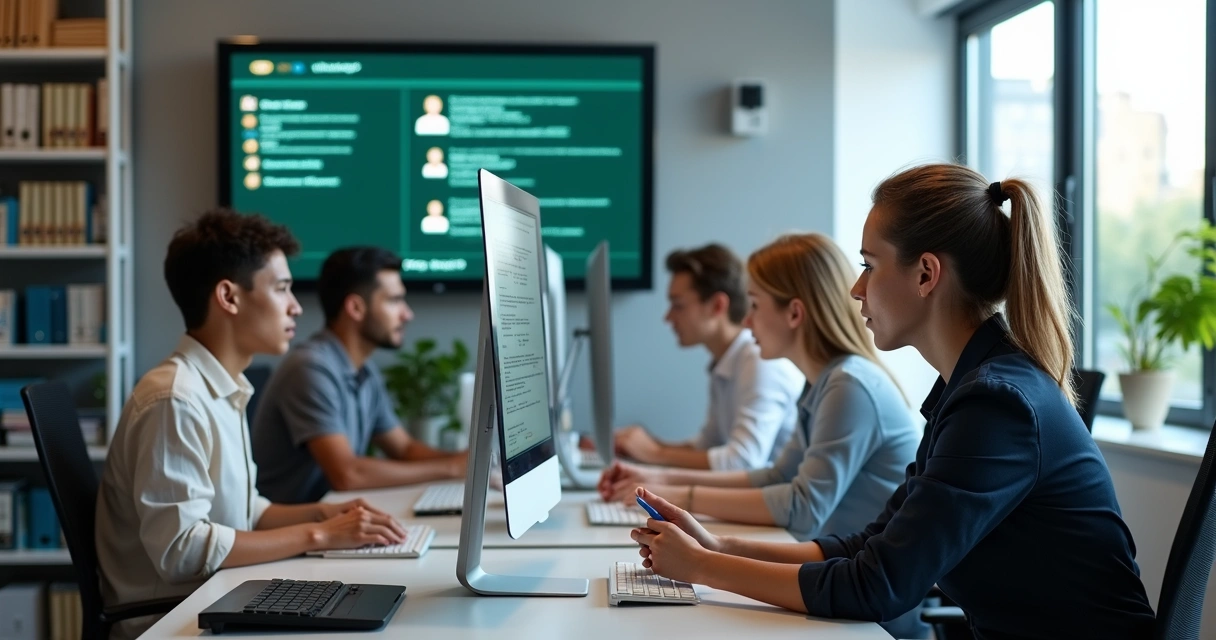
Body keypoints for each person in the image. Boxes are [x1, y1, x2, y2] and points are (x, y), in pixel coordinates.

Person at [629, 164, 1156, 639]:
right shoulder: (967, 388)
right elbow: (871, 545)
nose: (857, 289)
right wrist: (719, 549)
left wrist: (702, 569)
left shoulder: (996, 405)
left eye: (869, 265)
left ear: (926, 274)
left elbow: (876, 587)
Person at [96, 211, 406, 640]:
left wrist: (327, 513)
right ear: (229, 297)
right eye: (281, 289)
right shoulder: (175, 398)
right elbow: (183, 550)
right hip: (173, 623)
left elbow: (245, 510)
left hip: (216, 600)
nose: (296, 306)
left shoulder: (225, 387)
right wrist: (319, 534)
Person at [600, 233, 919, 544]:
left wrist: (677, 495)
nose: (747, 322)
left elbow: (802, 508)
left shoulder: (849, 386)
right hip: (845, 566)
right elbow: (777, 476)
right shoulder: (820, 383)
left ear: (794, 313)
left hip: (876, 585)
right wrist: (660, 481)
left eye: (754, 306)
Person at [253, 246, 468, 504]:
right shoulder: (310, 368)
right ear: (355, 308)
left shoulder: (363, 371)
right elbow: (348, 474)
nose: (407, 314)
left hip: (330, 525)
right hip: (294, 536)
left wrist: (470, 463)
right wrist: (453, 469)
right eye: (394, 300)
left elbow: (404, 449)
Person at [611, 244, 804, 471]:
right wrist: (644, 446)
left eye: (678, 305)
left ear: (717, 305)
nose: (667, 317)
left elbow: (742, 461)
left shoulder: (759, 361)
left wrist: (655, 453)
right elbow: (708, 448)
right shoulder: (726, 362)